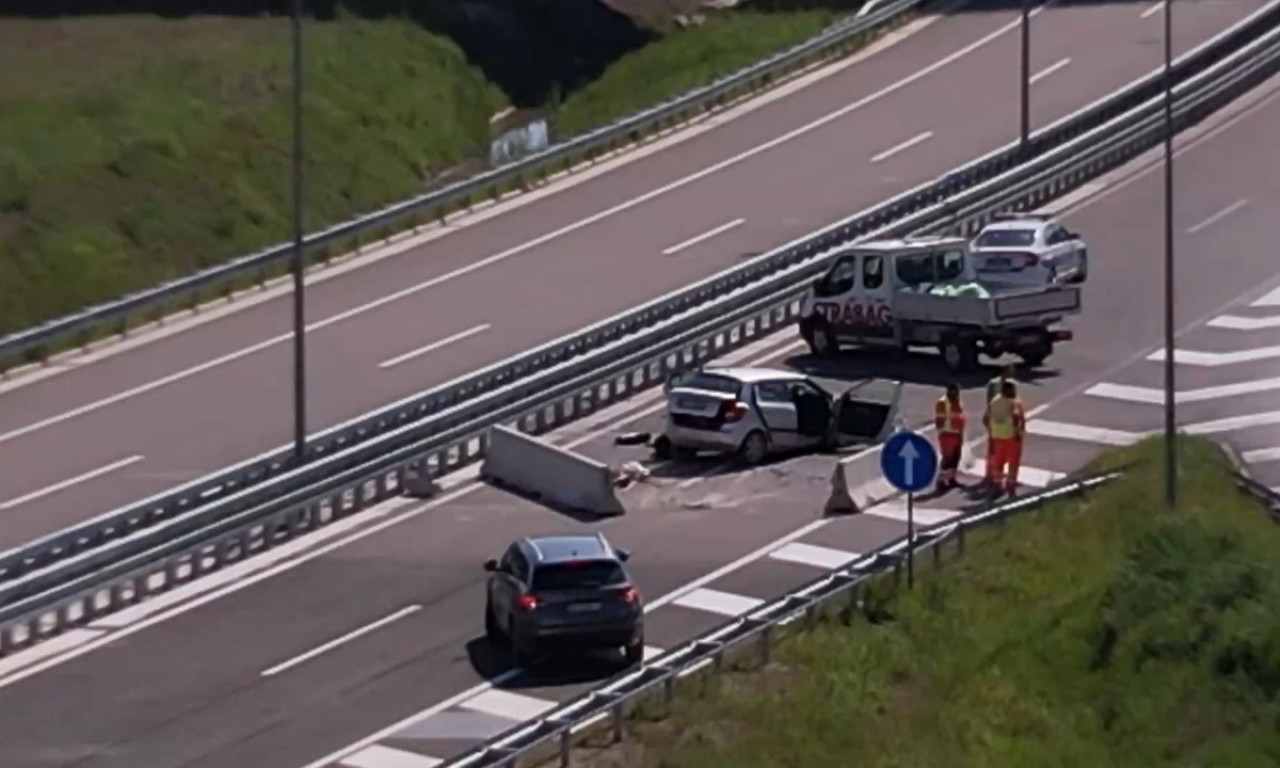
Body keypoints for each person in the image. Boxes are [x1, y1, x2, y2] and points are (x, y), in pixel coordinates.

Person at [985, 380, 1026, 496]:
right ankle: (1011, 487)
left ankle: (998, 486)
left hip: (997, 436)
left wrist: (991, 434)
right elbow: (1017, 418)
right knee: (1013, 463)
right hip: (1011, 436)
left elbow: (987, 418)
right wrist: (1019, 433)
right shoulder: (1014, 403)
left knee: (999, 463)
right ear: (1007, 390)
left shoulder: (994, 401)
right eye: (1012, 389)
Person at [983, 364, 1018, 487]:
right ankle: (989, 473)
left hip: (1005, 422)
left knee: (1001, 452)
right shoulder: (994, 384)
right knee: (993, 448)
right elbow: (989, 400)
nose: (1012, 373)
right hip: (996, 418)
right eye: (1010, 371)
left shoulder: (1012, 384)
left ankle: (998, 476)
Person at [934, 383, 966, 492]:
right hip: (947, 435)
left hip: (957, 434)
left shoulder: (957, 401)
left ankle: (951, 479)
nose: (957, 394)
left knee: (955, 458)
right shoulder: (943, 402)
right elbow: (939, 420)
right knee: (947, 459)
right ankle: (941, 482)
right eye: (955, 391)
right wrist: (941, 434)